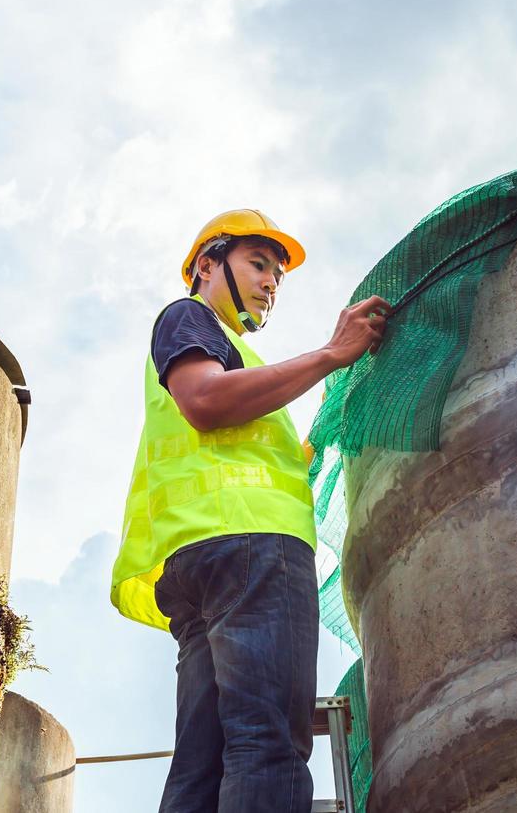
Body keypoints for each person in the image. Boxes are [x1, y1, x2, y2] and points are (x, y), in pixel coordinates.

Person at [110, 209, 389, 813]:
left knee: (202, 766)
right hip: (251, 552)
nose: (270, 283)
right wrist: (332, 356)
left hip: (197, 563)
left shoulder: (241, 359)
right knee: (268, 744)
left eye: (277, 276)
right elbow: (206, 401)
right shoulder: (191, 318)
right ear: (206, 266)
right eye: (257, 264)